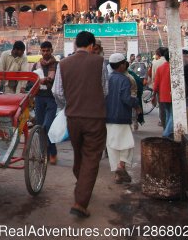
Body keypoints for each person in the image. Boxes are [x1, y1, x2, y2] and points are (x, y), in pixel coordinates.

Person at [52, 30, 108, 218]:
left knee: (79, 154)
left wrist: (67, 106)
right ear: (92, 46)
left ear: (76, 45)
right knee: (91, 157)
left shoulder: (63, 64)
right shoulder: (99, 62)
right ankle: (81, 202)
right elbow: (105, 90)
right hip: (94, 117)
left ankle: (82, 185)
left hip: (73, 117)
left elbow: (57, 92)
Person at [106, 53, 138, 184]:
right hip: (121, 116)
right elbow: (126, 98)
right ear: (121, 65)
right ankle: (121, 166)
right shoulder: (124, 79)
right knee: (127, 144)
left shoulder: (107, 78)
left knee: (112, 145)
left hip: (108, 116)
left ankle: (117, 174)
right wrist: (136, 104)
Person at [31, 41, 58, 165]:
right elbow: (30, 82)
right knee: (40, 127)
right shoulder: (36, 65)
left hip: (52, 99)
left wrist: (48, 81)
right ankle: (44, 153)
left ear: (52, 50)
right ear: (40, 51)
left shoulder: (58, 65)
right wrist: (39, 81)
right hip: (39, 98)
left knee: (48, 126)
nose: (45, 53)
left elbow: (60, 83)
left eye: (48, 50)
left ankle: (52, 153)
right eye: (43, 50)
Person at [152, 48, 173, 138]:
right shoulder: (174, 68)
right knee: (172, 115)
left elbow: (156, 83)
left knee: (168, 113)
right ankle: (166, 133)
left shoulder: (160, 68)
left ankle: (167, 132)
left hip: (163, 95)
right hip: (171, 95)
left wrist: (154, 94)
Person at [149, 47, 167, 128]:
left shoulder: (155, 62)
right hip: (171, 88)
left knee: (162, 107)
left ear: (158, 54)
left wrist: (154, 91)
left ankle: (163, 123)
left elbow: (153, 78)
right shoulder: (169, 61)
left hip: (160, 89)